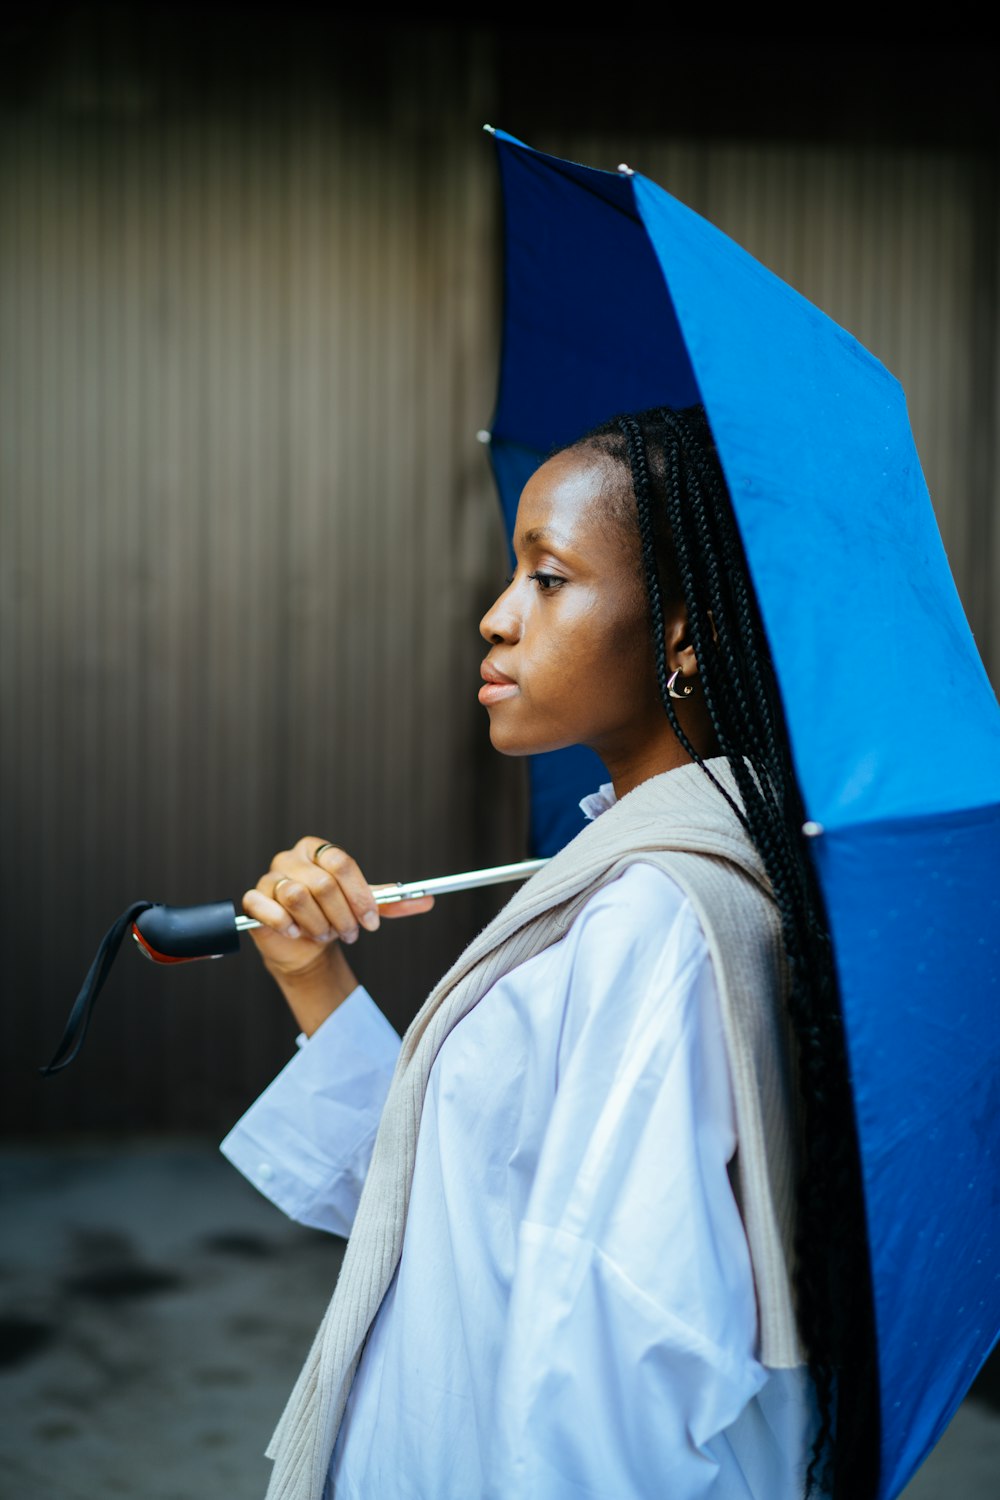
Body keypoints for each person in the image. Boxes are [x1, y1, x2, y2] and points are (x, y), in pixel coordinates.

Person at [221, 406, 875, 1500]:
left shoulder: (656, 922)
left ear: (681, 633)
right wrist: (315, 977)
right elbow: (463, 1207)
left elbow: (614, 1358)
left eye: (549, 579)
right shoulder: (661, 875)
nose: (495, 617)